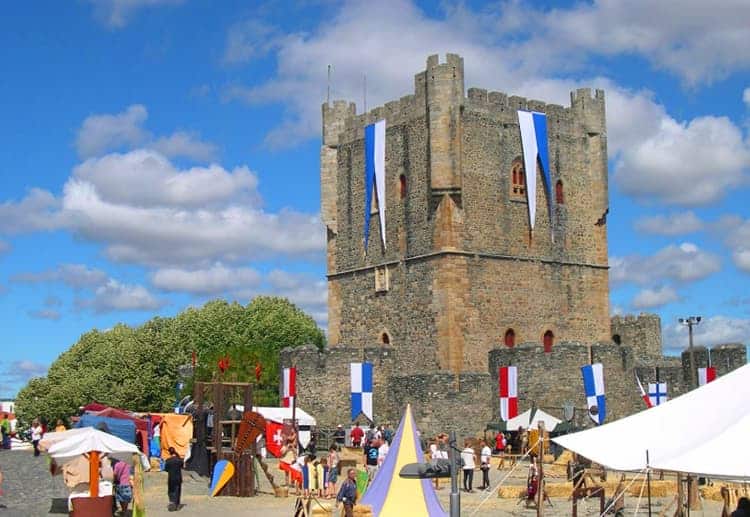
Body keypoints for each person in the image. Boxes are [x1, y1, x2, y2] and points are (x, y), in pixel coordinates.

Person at [164, 447, 183, 511]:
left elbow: (166, 469)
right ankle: (177, 504)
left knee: (171, 490)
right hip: (178, 478)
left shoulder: (168, 461)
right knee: (178, 491)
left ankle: (172, 502)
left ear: (169, 452)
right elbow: (182, 466)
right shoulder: (179, 460)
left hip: (171, 478)